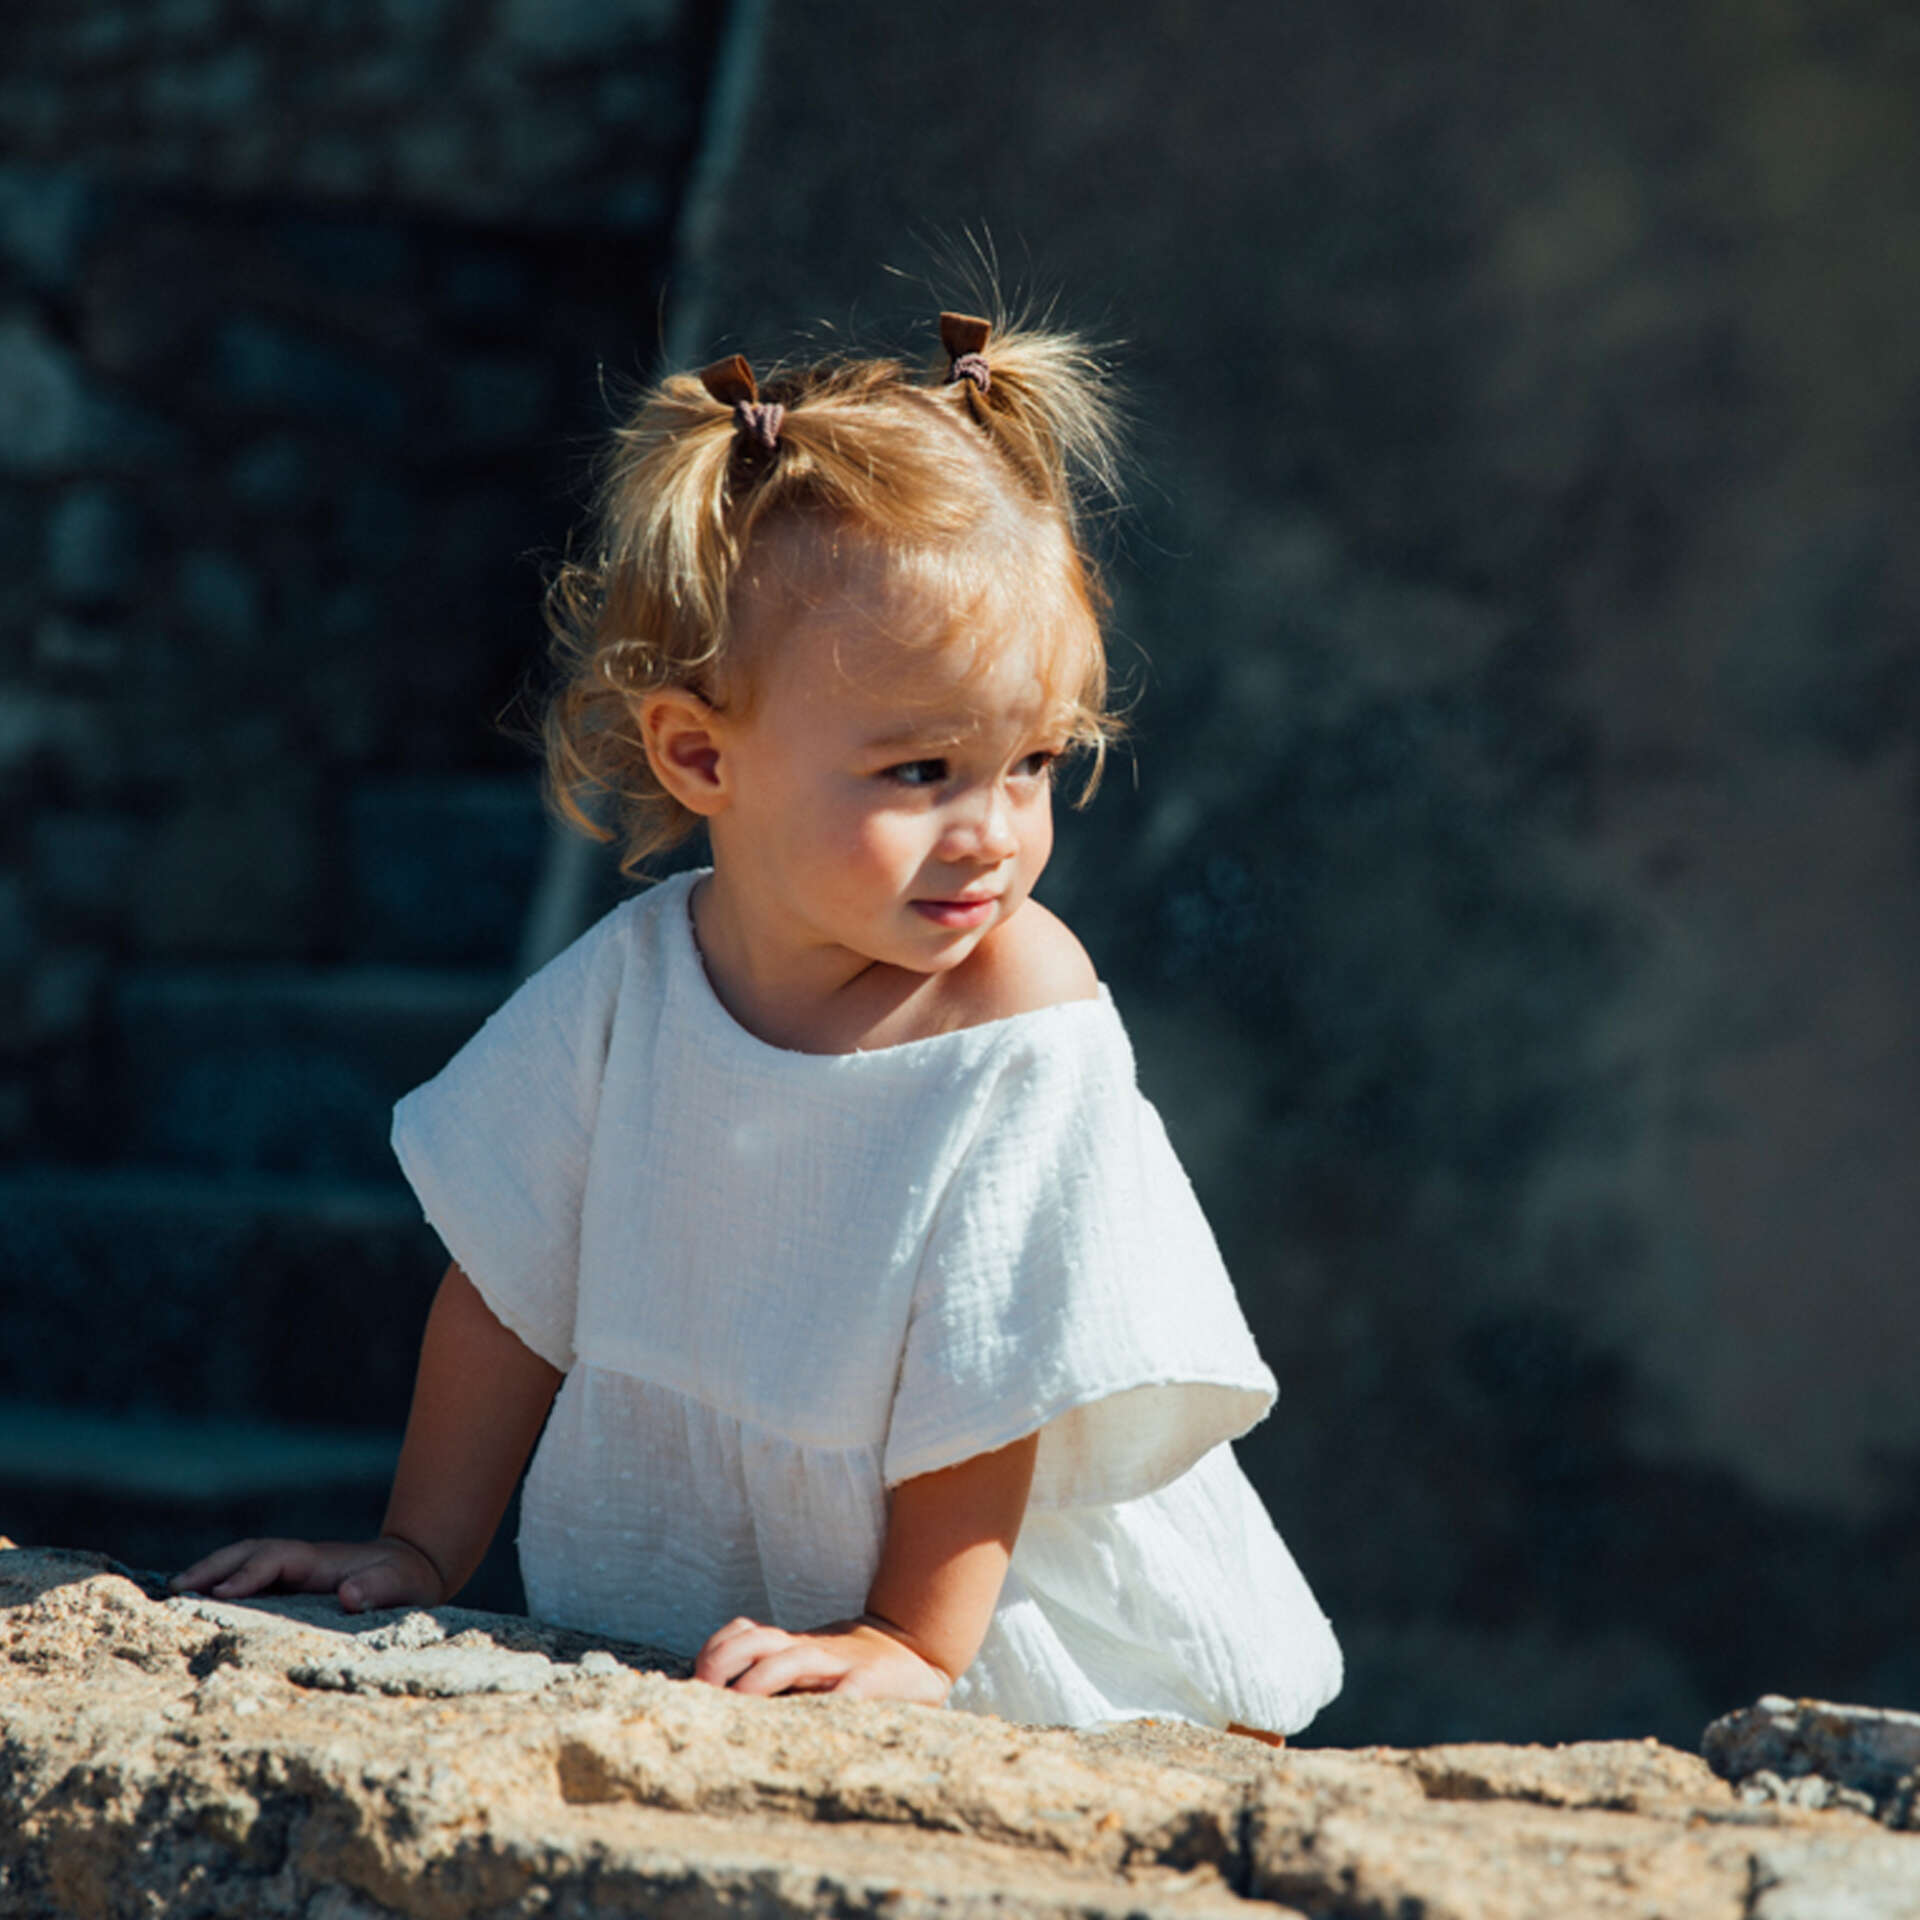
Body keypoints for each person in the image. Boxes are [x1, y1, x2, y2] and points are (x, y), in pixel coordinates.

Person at [173, 311, 1342, 1734]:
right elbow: (504, 1289)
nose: (994, 832)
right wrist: (420, 1551)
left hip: (1010, 1631)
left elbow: (997, 1369)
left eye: (1032, 760)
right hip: (733, 1621)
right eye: (920, 769)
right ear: (700, 754)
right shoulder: (635, 983)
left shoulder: (1014, 1012)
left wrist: (913, 1641)